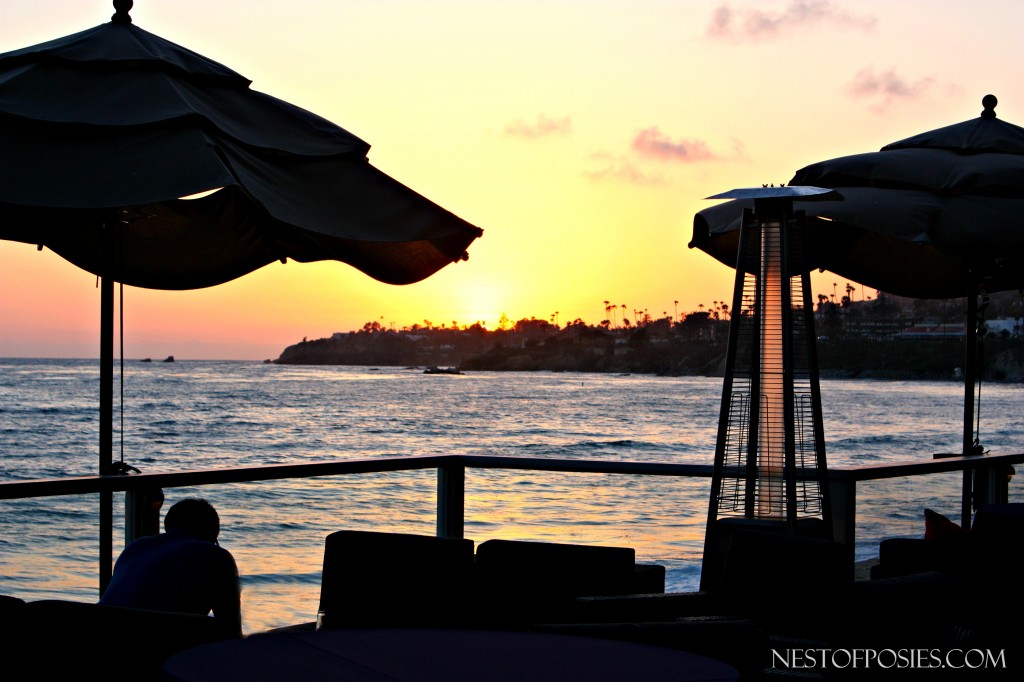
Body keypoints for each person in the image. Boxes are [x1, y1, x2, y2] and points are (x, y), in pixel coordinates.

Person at [100, 497, 242, 638]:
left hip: (98, 632)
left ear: (168, 526)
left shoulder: (135, 547)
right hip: (157, 646)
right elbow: (231, 631)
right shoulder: (216, 556)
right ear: (213, 534)